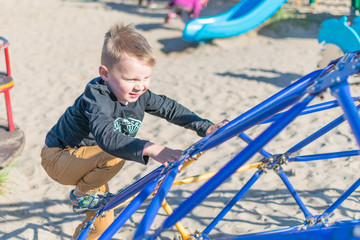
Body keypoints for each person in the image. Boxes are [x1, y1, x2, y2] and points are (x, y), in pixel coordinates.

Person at [40, 22, 228, 240]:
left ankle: (85, 210)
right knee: (114, 152)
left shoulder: (141, 95)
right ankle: (80, 195)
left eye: (146, 78)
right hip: (60, 158)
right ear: (105, 73)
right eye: (131, 79)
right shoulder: (96, 96)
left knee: (102, 225)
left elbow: (170, 109)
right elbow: (107, 138)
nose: (140, 86)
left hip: (94, 164)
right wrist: (150, 148)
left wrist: (205, 127)